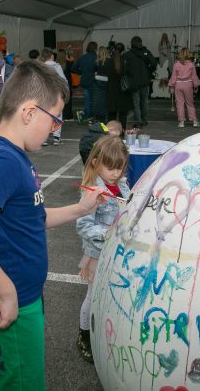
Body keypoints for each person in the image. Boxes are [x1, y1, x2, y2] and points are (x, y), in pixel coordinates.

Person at [0, 60, 105, 390]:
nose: (55, 128)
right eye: (55, 118)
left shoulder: (15, 156)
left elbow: (35, 217)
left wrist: (81, 208)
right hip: (6, 306)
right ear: (30, 112)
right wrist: (6, 292)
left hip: (21, 300)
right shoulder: (3, 161)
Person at [75, 135, 130, 362]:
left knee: (109, 295)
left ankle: (103, 331)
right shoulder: (92, 190)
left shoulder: (122, 184)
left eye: (120, 167)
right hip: (98, 255)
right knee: (93, 297)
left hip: (117, 252)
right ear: (96, 162)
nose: (116, 173)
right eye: (111, 168)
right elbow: (83, 225)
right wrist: (107, 233)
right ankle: (84, 336)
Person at [123, 36, 157, 127]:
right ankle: (144, 120)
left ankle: (138, 121)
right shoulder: (147, 52)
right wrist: (149, 71)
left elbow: (124, 68)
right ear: (141, 43)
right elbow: (154, 63)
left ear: (131, 43)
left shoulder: (127, 55)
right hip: (145, 80)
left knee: (136, 102)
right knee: (144, 101)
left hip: (133, 81)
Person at [168, 48, 200, 128]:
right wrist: (196, 85)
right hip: (188, 84)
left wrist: (171, 86)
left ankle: (181, 122)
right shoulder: (191, 64)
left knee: (179, 104)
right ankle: (194, 121)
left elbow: (173, 76)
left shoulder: (176, 64)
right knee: (190, 104)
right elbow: (194, 76)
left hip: (178, 85)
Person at [41, 47, 66, 145]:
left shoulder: (41, 67)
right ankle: (56, 137)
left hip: (45, 94)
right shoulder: (57, 66)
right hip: (56, 94)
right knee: (58, 114)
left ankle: (44, 138)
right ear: (52, 56)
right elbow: (63, 80)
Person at [105, 42, 133, 130]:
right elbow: (130, 75)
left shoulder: (108, 61)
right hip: (123, 91)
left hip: (111, 90)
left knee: (111, 115)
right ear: (123, 51)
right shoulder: (126, 61)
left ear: (114, 49)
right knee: (123, 116)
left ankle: (110, 133)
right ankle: (122, 133)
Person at [72, 42, 98, 123]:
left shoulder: (82, 57)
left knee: (87, 100)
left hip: (84, 82)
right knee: (92, 101)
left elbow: (73, 68)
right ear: (95, 48)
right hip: (93, 82)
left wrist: (81, 72)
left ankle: (84, 114)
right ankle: (87, 116)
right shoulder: (96, 58)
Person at [91, 46, 109, 123]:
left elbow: (93, 72)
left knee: (97, 101)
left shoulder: (96, 62)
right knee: (105, 101)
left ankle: (97, 124)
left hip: (97, 83)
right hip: (107, 83)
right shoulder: (109, 62)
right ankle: (104, 124)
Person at [56, 48, 74, 121]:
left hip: (59, 85)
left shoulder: (56, 64)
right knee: (68, 101)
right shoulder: (68, 64)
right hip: (67, 84)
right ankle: (68, 116)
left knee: (60, 101)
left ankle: (61, 116)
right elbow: (74, 68)